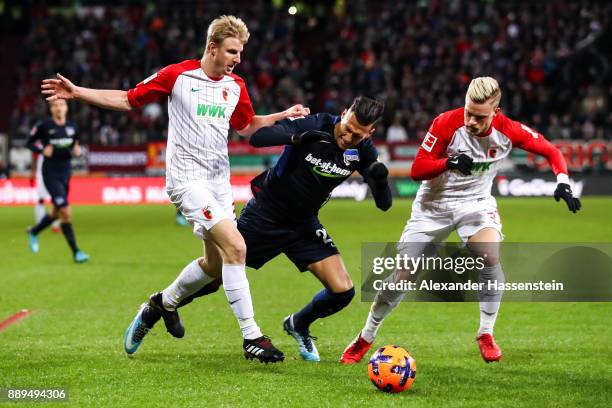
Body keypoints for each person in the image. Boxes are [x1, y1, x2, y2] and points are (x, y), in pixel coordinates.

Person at [41, 15, 309, 363]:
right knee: (237, 248)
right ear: (212, 47)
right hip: (187, 181)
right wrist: (78, 92)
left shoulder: (236, 85)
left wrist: (282, 115)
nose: (237, 59)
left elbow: (245, 127)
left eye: (240, 53)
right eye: (231, 51)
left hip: (219, 184)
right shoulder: (178, 75)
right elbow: (127, 99)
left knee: (214, 267)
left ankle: (158, 305)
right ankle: (252, 337)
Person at [121, 96, 391, 362]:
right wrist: (295, 137)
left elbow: (384, 205)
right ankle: (157, 306)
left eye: (357, 136)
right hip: (265, 215)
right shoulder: (315, 124)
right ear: (343, 113)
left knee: (343, 291)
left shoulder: (364, 151)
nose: (348, 138)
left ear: (370, 132)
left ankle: (298, 323)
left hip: (304, 224)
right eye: (347, 129)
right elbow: (257, 139)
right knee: (214, 274)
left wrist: (379, 180)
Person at [340, 77, 581, 364]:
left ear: (496, 111)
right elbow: (417, 169)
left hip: (475, 204)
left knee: (489, 255)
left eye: (479, 117)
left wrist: (563, 181)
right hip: (432, 207)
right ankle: (366, 336)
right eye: (468, 112)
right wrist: (449, 162)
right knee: (405, 273)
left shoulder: (509, 131)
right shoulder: (446, 123)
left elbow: (552, 152)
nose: (471, 121)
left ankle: (486, 332)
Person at [26, 99, 89, 263]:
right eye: (55, 105)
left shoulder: (72, 127)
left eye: (61, 105)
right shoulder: (44, 126)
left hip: (65, 173)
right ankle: (76, 252)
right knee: (65, 212)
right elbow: (29, 143)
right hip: (50, 174)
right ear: (51, 109)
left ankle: (33, 232)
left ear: (66, 107)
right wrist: (41, 150)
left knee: (55, 212)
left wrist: (77, 151)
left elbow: (75, 146)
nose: (58, 108)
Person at [30, 151, 61, 233]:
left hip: (53, 174)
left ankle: (55, 224)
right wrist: (33, 172)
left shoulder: (54, 143)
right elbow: (34, 158)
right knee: (41, 199)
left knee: (56, 199)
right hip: (40, 174)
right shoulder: (40, 143)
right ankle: (40, 223)